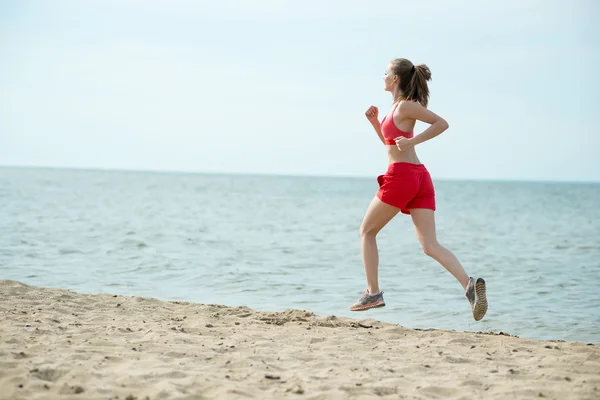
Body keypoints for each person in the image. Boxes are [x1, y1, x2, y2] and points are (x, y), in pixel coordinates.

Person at [349, 58, 488, 321]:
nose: (383, 76)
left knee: (367, 232)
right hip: (419, 178)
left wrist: (416, 139)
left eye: (386, 73)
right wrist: (375, 123)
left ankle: (373, 293)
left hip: (402, 177)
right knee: (430, 245)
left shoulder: (407, 106)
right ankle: (469, 286)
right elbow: (392, 144)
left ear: (395, 79)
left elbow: (441, 123)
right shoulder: (394, 109)